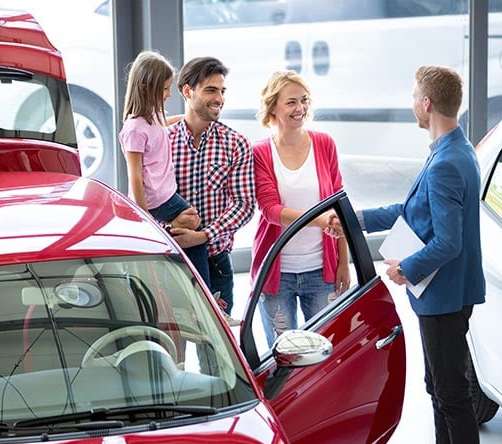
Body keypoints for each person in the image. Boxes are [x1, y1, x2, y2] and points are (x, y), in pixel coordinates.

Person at [330, 65, 485, 444]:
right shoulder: (452, 150)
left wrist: (404, 268)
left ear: (426, 105)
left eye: (414, 96)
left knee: (452, 394)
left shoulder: (447, 163)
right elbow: (410, 211)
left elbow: (447, 242)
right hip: (445, 294)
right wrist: (355, 218)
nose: (411, 103)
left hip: (442, 295)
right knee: (438, 387)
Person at [250, 70, 349, 344]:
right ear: (273, 107)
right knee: (285, 357)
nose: (300, 108)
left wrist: (344, 261)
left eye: (304, 100)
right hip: (276, 275)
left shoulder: (324, 144)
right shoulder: (260, 152)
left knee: (325, 351)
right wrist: (320, 221)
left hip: (321, 270)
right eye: (291, 102)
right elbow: (270, 209)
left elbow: (338, 205)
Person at [167, 57, 255, 318]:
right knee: (171, 343)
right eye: (210, 90)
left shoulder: (235, 143)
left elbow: (245, 205)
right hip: (170, 261)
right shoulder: (163, 141)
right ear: (187, 91)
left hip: (216, 263)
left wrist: (203, 235)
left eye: (222, 91)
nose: (219, 98)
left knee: (217, 353)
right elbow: (145, 200)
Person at [118, 50, 209, 283]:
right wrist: (144, 214)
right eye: (165, 89)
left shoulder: (153, 114)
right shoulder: (134, 129)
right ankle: (204, 292)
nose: (169, 94)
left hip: (166, 193)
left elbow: (161, 125)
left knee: (191, 228)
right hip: (157, 200)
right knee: (195, 234)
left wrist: (190, 117)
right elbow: (135, 175)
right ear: (147, 87)